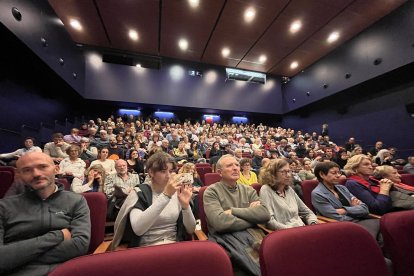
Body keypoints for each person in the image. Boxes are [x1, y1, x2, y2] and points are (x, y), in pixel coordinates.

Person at [0, 152, 90, 275]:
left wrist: (16, 257)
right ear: (19, 175)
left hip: (64, 271)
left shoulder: (76, 201)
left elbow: (80, 246)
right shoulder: (4, 206)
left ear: (56, 169)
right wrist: (58, 235)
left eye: (43, 167)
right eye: (27, 170)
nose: (36, 174)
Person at [203, 154, 270, 275]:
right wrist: (252, 217)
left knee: (272, 259)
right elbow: (220, 223)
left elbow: (265, 214)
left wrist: (234, 211)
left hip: (252, 234)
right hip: (225, 238)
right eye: (229, 165)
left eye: (237, 165)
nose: (235, 168)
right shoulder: (211, 191)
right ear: (220, 172)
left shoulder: (248, 190)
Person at [112, 152, 195, 249]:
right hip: (147, 249)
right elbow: (138, 229)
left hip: (175, 246)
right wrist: (166, 195)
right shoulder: (140, 193)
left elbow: (191, 229)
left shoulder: (178, 193)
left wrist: (186, 207)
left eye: (171, 171)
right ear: (151, 172)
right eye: (163, 171)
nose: (168, 176)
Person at [311, 161, 383, 244]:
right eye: (334, 173)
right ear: (322, 174)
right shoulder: (317, 193)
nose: (338, 175)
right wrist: (355, 209)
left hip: (361, 221)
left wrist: (344, 210)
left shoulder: (342, 188)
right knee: (378, 237)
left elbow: (365, 208)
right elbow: (335, 217)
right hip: (343, 226)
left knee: (386, 230)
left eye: (339, 172)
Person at [259, 159, 317, 230]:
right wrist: (289, 230)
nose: (288, 175)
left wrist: (313, 224)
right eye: (283, 172)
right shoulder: (266, 190)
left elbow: (307, 212)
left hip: (302, 229)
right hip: (285, 233)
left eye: (289, 171)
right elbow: (270, 221)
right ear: (272, 174)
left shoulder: (289, 189)